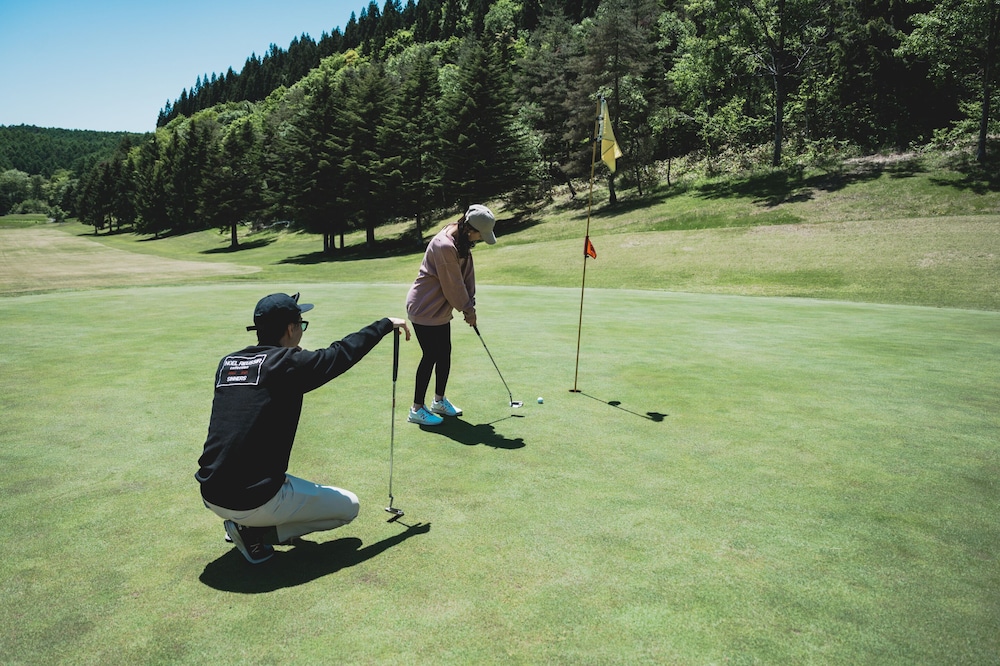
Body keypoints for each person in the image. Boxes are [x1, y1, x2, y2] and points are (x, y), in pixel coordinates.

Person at [195, 291, 411, 564]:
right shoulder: (288, 364)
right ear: (290, 328)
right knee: (348, 507)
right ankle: (256, 533)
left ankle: (248, 524)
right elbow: (341, 354)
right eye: (301, 324)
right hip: (253, 498)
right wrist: (383, 324)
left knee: (255, 478)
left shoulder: (228, 363)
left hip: (211, 493)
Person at [405, 204, 496, 426]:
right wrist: (467, 309)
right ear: (468, 228)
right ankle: (416, 409)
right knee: (431, 354)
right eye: (479, 235)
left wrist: (470, 305)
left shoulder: (461, 240)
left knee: (444, 352)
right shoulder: (444, 245)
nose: (479, 240)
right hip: (425, 307)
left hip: (440, 308)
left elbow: (467, 275)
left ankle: (438, 401)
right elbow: (453, 285)